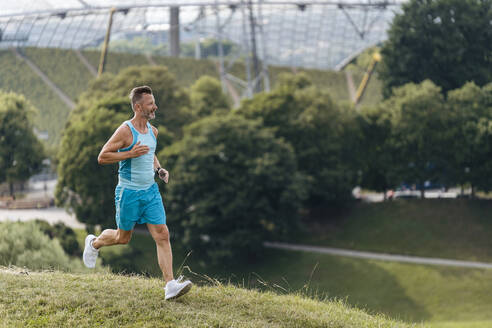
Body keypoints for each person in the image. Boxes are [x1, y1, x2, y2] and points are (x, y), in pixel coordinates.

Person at [82, 85, 192, 300]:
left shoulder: (153, 131)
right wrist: (129, 153)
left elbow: (150, 153)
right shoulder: (125, 130)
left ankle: (169, 284)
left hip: (150, 192)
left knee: (162, 234)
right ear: (138, 107)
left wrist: (158, 169)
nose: (155, 106)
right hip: (128, 193)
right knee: (123, 238)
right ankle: (94, 243)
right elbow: (103, 156)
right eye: (151, 104)